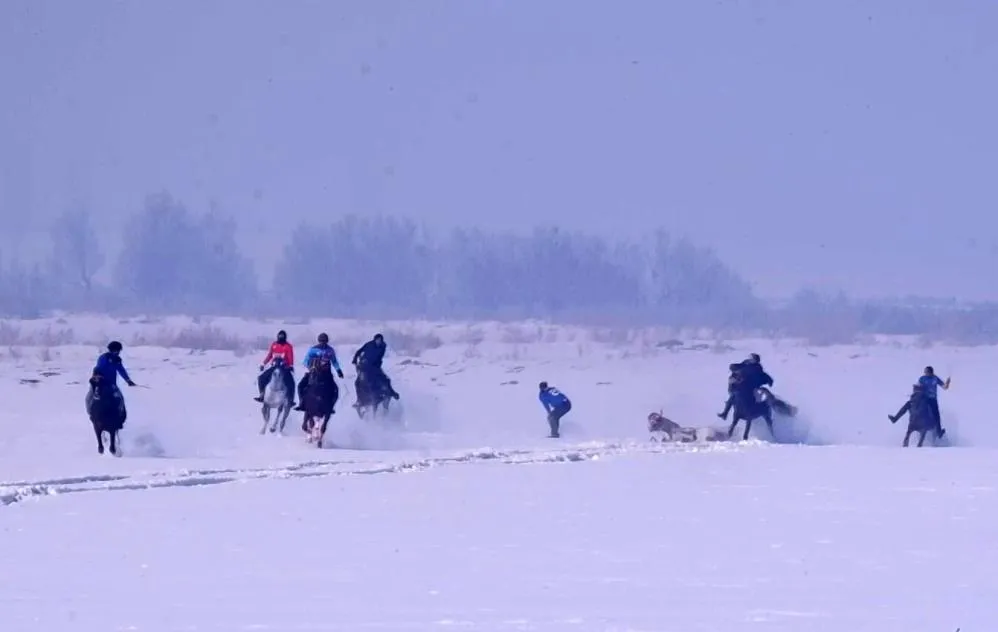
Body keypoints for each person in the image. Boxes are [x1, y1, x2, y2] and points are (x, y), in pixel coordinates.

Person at [295, 333, 344, 411]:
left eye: (324, 341)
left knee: (335, 389)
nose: (323, 343)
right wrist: (310, 368)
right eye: (321, 341)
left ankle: (331, 406)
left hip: (327, 373)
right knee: (300, 386)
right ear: (319, 341)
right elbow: (306, 361)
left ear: (327, 341)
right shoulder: (313, 349)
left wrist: (338, 370)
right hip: (314, 372)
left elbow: (334, 361)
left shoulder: (330, 350)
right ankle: (301, 403)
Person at [88, 341, 137, 418]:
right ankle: (90, 413)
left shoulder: (117, 360)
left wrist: (128, 380)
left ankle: (122, 415)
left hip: (111, 383)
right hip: (100, 382)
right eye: (116, 350)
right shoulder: (103, 358)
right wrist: (97, 376)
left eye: (118, 351)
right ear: (111, 350)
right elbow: (99, 367)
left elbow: (121, 370)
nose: (117, 352)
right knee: (89, 397)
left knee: (120, 397)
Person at [718, 354, 772, 419]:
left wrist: (768, 380)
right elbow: (739, 366)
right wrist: (733, 366)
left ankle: (754, 412)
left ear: (756, 360)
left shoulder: (757, 368)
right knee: (733, 395)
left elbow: (762, 375)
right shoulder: (746, 363)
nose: (751, 360)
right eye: (751, 359)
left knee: (735, 395)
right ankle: (725, 413)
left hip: (750, 387)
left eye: (753, 359)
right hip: (741, 385)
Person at [352, 333, 399, 400]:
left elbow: (379, 357)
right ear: (374, 340)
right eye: (377, 340)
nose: (378, 341)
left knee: (385, 379)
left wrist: (376, 364)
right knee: (357, 383)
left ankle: (392, 393)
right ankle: (359, 400)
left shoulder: (383, 346)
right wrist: (355, 359)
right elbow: (359, 351)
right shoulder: (368, 344)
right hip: (364, 366)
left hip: (375, 366)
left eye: (380, 340)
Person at [254, 330, 296, 405]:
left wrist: (291, 366)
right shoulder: (274, 345)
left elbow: (290, 357)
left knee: (291, 382)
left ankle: (290, 399)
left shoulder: (288, 346)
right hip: (274, 366)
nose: (281, 338)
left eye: (282, 337)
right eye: (280, 337)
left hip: (284, 368)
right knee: (261, 378)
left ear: (285, 337)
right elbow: (269, 355)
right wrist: (263, 364)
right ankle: (262, 395)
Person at [917, 366, 950, 438]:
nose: (925, 373)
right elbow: (918, 387)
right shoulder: (922, 379)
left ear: (930, 372)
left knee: (936, 415)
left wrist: (947, 383)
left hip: (932, 399)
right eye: (925, 371)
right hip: (924, 399)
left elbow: (944, 387)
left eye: (926, 371)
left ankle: (939, 431)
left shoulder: (935, 378)